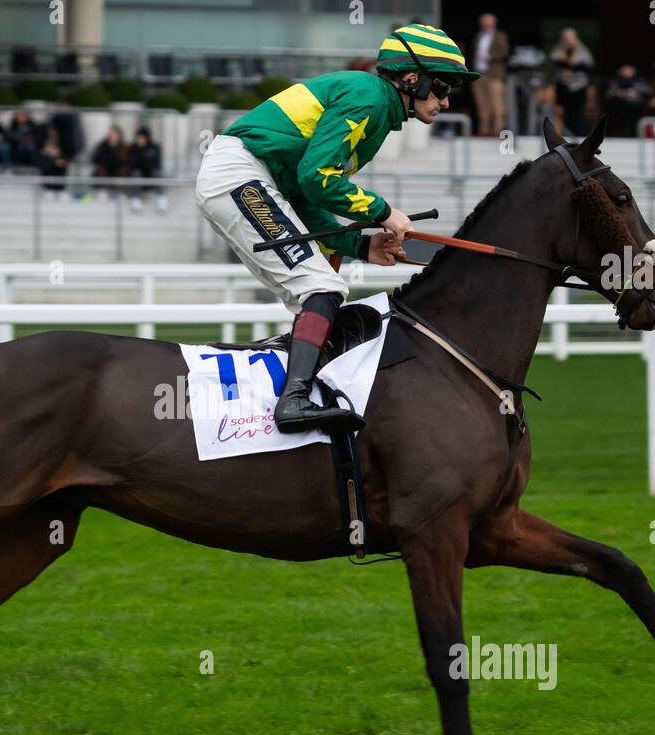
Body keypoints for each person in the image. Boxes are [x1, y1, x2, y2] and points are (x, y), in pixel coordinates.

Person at [197, 23, 479, 434]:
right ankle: (292, 402)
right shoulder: (369, 98)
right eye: (441, 86)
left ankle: (299, 391)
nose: (446, 100)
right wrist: (384, 211)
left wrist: (361, 247)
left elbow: (305, 196)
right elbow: (317, 178)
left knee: (319, 291)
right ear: (411, 78)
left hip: (251, 178)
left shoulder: (377, 111)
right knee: (321, 288)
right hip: (239, 174)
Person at [470, 13, 509, 137]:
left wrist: (490, 56)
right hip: (480, 74)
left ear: (494, 23)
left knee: (497, 104)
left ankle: (498, 130)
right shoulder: (478, 36)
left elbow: (504, 52)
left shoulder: (500, 35)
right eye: (484, 22)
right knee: (482, 104)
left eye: (489, 22)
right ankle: (484, 130)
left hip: (494, 74)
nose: (487, 24)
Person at [552, 27, 594, 137]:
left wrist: (572, 67)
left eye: (571, 37)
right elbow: (555, 64)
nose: (569, 40)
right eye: (566, 37)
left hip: (579, 87)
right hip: (563, 87)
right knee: (563, 112)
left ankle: (577, 135)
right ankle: (565, 135)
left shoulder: (583, 51)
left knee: (578, 113)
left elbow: (587, 67)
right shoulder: (558, 50)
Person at [604, 64, 650, 137]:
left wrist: (636, 94)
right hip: (619, 108)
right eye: (624, 70)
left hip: (636, 108)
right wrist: (621, 93)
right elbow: (609, 93)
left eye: (629, 70)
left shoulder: (640, 81)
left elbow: (646, 92)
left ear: (634, 71)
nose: (626, 72)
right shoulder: (616, 81)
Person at [128, 126, 166, 212]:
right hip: (139, 176)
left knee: (157, 173)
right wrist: (144, 158)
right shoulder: (133, 148)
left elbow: (156, 164)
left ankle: (161, 199)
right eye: (138, 138)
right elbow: (132, 165)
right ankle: (136, 200)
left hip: (151, 175)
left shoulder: (154, 148)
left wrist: (144, 161)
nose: (140, 140)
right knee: (135, 173)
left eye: (142, 138)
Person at [91, 125, 127, 198]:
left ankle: (121, 192)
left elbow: (124, 161)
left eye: (115, 135)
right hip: (105, 170)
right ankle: (102, 191)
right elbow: (96, 159)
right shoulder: (102, 146)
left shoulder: (123, 147)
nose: (113, 137)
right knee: (100, 170)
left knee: (124, 170)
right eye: (112, 135)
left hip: (117, 171)